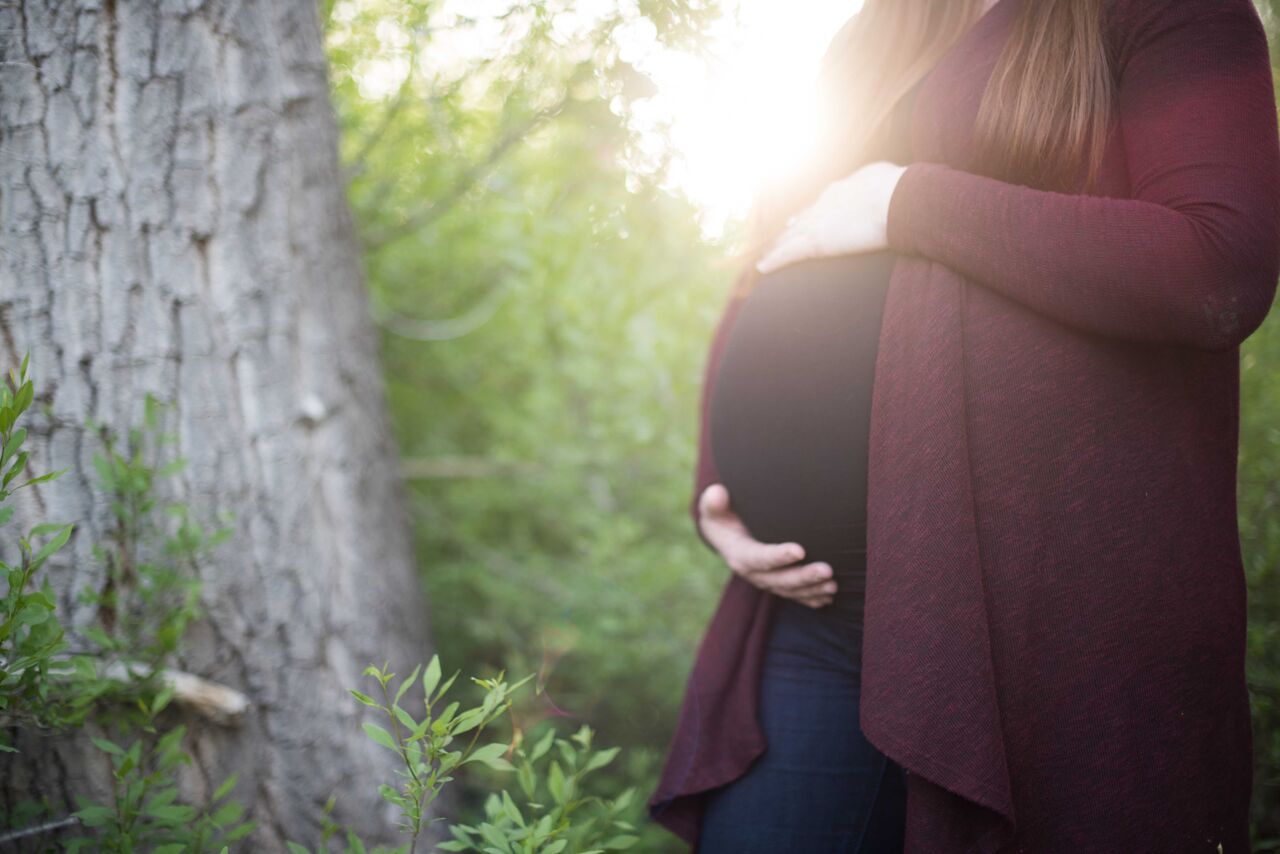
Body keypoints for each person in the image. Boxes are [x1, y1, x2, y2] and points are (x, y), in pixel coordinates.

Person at [648, 0, 1280, 852]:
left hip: (1033, 625)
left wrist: (908, 201)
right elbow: (774, 252)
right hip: (819, 611)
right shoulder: (878, 28)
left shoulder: (1162, 12)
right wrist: (716, 492)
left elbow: (1219, 266)